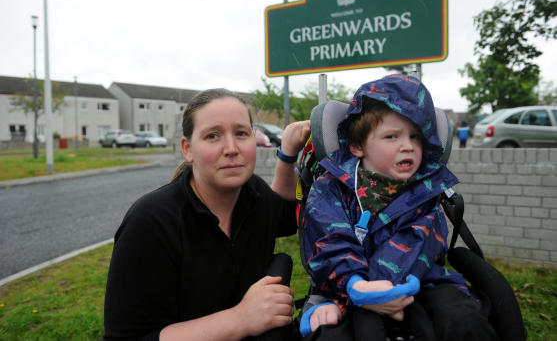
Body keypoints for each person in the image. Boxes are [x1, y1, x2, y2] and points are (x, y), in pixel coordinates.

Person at [300, 75, 499, 341]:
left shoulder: (426, 192)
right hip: (346, 285)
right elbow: (328, 242)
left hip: (424, 283)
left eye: (415, 136)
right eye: (392, 136)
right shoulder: (329, 189)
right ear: (358, 146)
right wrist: (352, 291)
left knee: (461, 321)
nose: (407, 146)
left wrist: (373, 291)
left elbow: (417, 243)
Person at [103, 88, 310, 341]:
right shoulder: (151, 222)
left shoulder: (255, 194)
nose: (231, 148)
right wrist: (240, 319)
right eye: (213, 136)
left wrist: (287, 156)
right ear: (187, 149)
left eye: (241, 133)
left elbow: (290, 214)